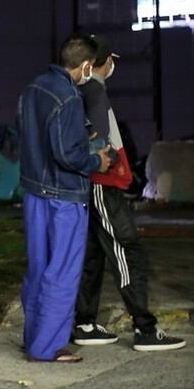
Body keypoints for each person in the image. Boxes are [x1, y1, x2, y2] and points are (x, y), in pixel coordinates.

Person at [73, 36, 185, 352]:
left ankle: (84, 323)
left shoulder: (86, 89)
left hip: (96, 183)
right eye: (112, 60)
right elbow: (96, 137)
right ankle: (145, 329)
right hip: (102, 183)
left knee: (93, 256)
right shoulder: (93, 89)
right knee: (128, 249)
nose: (114, 66)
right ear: (101, 61)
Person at [17, 34, 113, 363]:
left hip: (33, 192)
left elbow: (36, 139)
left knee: (38, 268)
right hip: (64, 197)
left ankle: (33, 338)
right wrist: (96, 160)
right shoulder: (68, 95)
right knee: (62, 271)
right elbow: (68, 155)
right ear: (86, 66)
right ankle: (48, 347)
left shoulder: (33, 88)